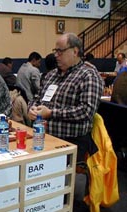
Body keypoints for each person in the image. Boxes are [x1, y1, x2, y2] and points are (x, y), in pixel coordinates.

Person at [28, 33, 104, 162]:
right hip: (41, 136)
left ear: (75, 51)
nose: (56, 55)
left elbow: (86, 111)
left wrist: (51, 113)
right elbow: (36, 98)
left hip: (70, 141)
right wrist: (32, 109)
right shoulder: (51, 75)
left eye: (60, 51)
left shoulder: (89, 76)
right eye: (55, 51)